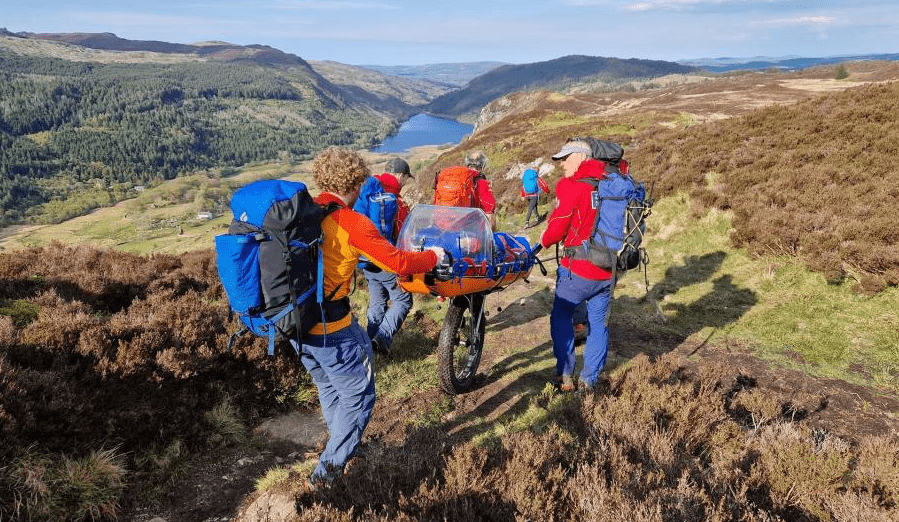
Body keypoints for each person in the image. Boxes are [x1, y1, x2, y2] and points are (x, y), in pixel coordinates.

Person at [292, 147, 443, 486]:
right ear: (356, 182)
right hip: (330, 327)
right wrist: (432, 257)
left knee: (330, 385)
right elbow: (399, 263)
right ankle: (325, 478)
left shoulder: (303, 212)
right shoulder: (351, 222)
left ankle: (341, 446)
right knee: (359, 397)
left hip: (295, 326)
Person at [539, 139, 615, 393]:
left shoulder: (572, 187)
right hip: (606, 270)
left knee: (561, 315)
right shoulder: (609, 183)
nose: (562, 164)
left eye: (567, 157)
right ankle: (589, 381)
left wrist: (543, 240)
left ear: (582, 157)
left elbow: (558, 226)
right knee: (598, 325)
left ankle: (565, 375)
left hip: (578, 271)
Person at [354, 157, 415, 356]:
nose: (405, 182)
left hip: (366, 260)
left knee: (378, 302)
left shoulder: (370, 190)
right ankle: (381, 339)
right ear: (399, 175)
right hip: (385, 261)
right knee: (403, 300)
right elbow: (404, 234)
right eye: (406, 178)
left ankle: (368, 343)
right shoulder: (393, 201)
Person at [433, 150, 497, 229]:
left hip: (441, 227)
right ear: (483, 166)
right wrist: (492, 235)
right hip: (467, 232)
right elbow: (489, 213)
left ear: (467, 164)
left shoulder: (454, 180)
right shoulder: (481, 183)